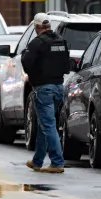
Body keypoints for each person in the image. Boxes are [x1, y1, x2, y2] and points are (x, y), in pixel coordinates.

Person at [20, 13, 71, 173]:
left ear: (36, 27)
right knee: (45, 124)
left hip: (44, 89)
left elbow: (26, 63)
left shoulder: (37, 43)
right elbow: (67, 65)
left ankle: (57, 162)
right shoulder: (61, 41)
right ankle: (37, 161)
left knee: (48, 126)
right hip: (58, 87)